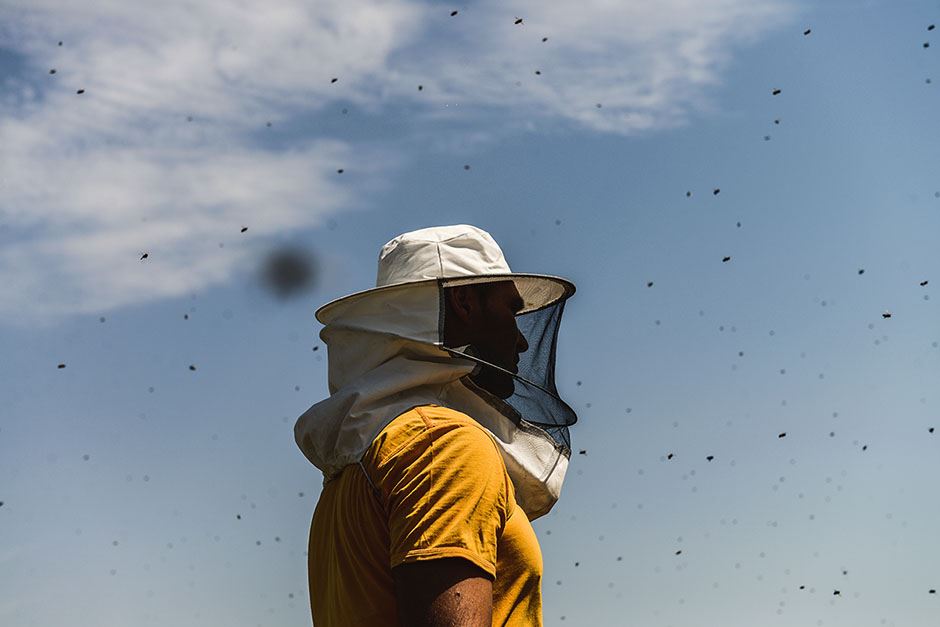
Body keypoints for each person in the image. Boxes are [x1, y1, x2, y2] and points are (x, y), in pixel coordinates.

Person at [294, 225, 578, 626]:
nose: (521, 341)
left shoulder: (370, 455)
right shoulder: (442, 446)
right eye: (510, 312)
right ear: (464, 302)